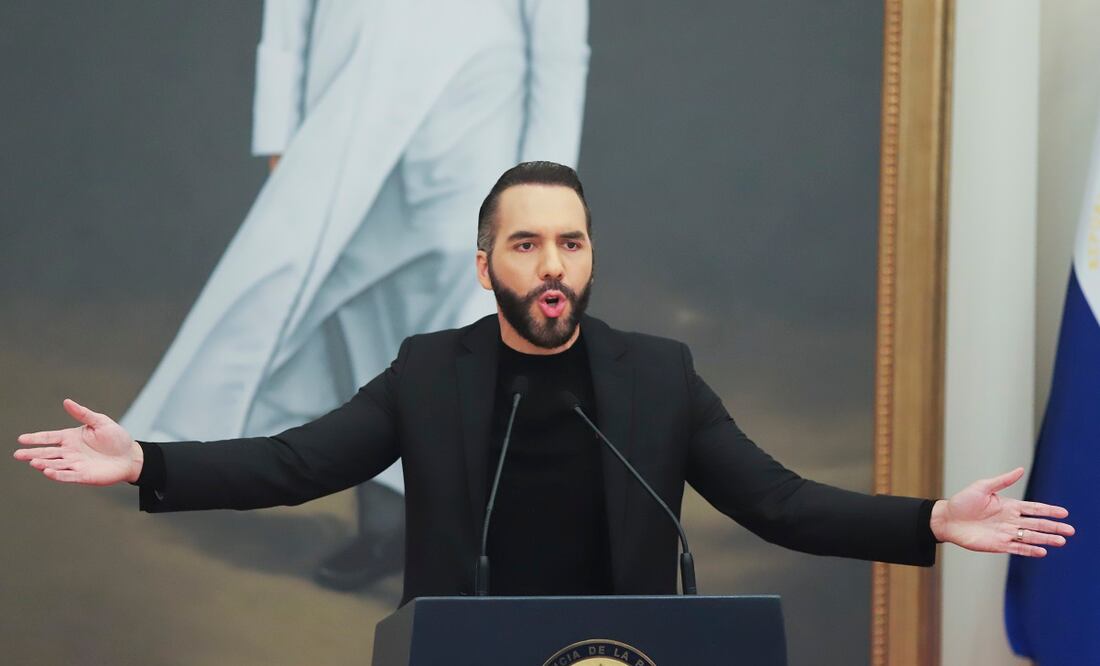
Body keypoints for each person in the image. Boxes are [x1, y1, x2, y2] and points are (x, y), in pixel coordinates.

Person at [15, 162, 1075, 603]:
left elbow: (777, 502)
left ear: (590, 256)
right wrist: (146, 460)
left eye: (569, 241)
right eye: (525, 244)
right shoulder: (429, 373)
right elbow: (296, 464)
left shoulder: (656, 377)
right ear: (486, 267)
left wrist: (929, 521)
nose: (552, 264)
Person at [117, 0, 590, 589]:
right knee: (361, 323)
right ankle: (386, 529)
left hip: (477, 113)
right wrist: (279, 126)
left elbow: (558, 41)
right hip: (347, 102)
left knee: (476, 330)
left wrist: (546, 182)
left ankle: (483, 541)